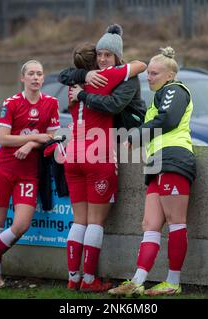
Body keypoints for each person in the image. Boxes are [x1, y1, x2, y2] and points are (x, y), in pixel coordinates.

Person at [108, 47, 197, 297]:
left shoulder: (175, 90)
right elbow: (147, 121)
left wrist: (137, 135)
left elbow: (168, 120)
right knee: (150, 223)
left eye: (154, 73)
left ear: (170, 75)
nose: (149, 77)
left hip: (174, 158)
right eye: (148, 73)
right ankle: (137, 281)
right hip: (157, 162)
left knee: (176, 222)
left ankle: (173, 282)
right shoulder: (156, 99)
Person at [62, 36, 147, 293]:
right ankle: (89, 281)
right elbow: (141, 65)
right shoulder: (107, 77)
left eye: (106, 55)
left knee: (79, 221)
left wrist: (82, 78)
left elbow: (66, 79)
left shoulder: (74, 85)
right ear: (94, 62)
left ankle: (72, 278)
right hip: (97, 155)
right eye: (99, 55)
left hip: (72, 155)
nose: (102, 60)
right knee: (96, 223)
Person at [0, 60, 59, 289]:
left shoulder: (51, 103)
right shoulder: (11, 103)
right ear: (23, 78)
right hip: (3, 167)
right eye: (31, 73)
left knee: (21, 225)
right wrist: (34, 137)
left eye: (40, 73)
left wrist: (31, 145)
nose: (36, 77)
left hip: (29, 173)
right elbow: (3, 138)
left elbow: (51, 138)